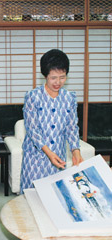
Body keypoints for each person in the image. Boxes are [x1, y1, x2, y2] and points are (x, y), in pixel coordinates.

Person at [20, 49, 83, 193]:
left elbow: (72, 127)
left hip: (58, 157)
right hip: (35, 158)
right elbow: (32, 129)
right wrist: (48, 153)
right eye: (53, 77)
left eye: (62, 77)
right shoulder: (33, 97)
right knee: (32, 196)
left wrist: (75, 151)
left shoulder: (69, 98)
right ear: (45, 75)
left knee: (56, 196)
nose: (58, 82)